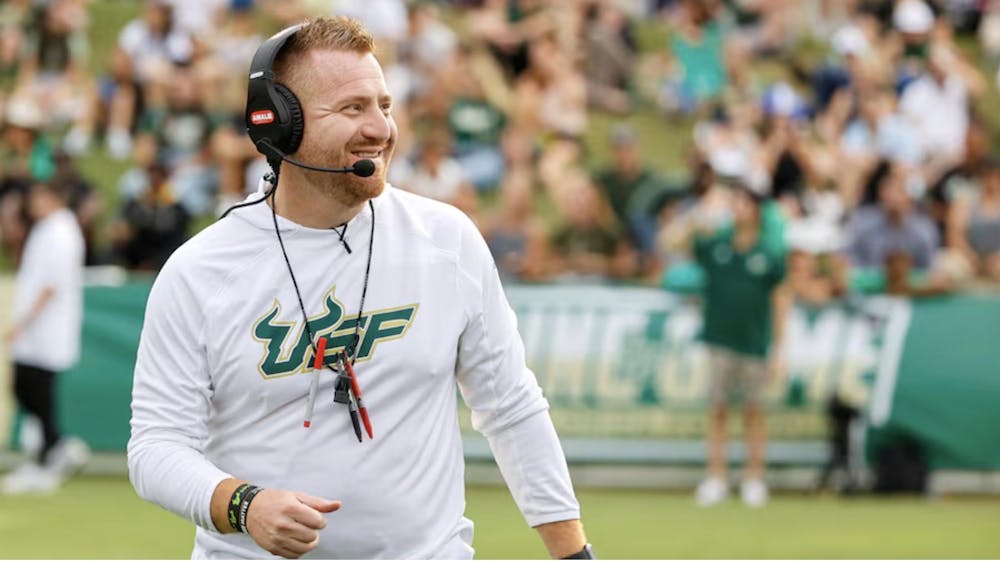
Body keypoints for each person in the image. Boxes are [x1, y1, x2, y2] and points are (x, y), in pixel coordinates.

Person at [128, 16, 592, 560]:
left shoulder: (447, 241)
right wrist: (243, 505)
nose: (381, 128)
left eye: (385, 105)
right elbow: (156, 446)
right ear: (280, 124)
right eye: (353, 108)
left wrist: (573, 555)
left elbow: (511, 407)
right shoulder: (199, 272)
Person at [691, 182, 789, 508]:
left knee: (754, 412)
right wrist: (702, 212)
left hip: (753, 342)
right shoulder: (717, 246)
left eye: (745, 203)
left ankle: (753, 478)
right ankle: (716, 476)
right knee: (717, 410)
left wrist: (778, 347)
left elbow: (780, 299)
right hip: (719, 340)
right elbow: (673, 242)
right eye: (735, 202)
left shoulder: (767, 253)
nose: (738, 208)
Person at [1, 180, 89, 495]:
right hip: (34, 330)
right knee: (26, 389)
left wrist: (23, 322)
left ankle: (52, 452)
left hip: (46, 329)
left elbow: (51, 284)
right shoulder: (46, 228)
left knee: (38, 392)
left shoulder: (62, 232)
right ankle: (53, 448)